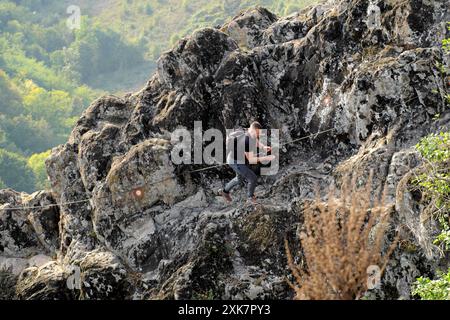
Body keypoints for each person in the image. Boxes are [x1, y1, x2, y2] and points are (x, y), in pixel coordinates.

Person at [221, 121, 276, 205]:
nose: (257, 136)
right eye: (256, 133)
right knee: (252, 178)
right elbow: (251, 160)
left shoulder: (248, 131)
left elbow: (256, 141)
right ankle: (250, 198)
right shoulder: (247, 141)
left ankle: (225, 192)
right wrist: (267, 158)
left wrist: (263, 147)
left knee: (239, 179)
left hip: (237, 158)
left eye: (258, 134)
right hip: (235, 162)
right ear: (253, 130)